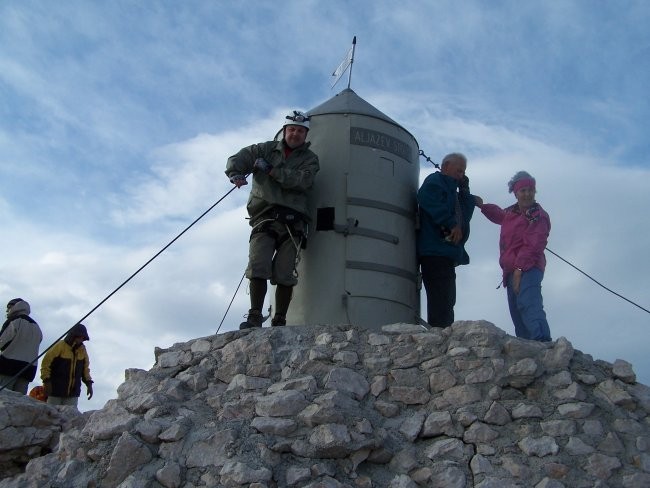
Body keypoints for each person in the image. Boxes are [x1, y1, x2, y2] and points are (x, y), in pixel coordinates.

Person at [225, 110, 319, 329]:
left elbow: (303, 181)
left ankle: (280, 320)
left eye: (300, 131)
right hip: (264, 217)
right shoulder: (265, 149)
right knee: (258, 264)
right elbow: (240, 158)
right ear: (285, 131)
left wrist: (272, 171)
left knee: (284, 272)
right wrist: (235, 173)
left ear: (306, 135)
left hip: (292, 222)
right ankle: (255, 316)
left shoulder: (310, 159)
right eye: (292, 129)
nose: (295, 134)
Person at [477, 170, 552, 342]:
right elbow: (499, 215)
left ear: (534, 191)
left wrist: (519, 269)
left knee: (528, 302)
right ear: (515, 193)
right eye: (522, 190)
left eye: (530, 190)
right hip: (510, 270)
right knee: (516, 310)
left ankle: (542, 342)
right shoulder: (512, 212)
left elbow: (534, 244)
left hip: (529, 267)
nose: (527, 194)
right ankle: (527, 346)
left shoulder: (537, 215)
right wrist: (482, 206)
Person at [417, 153, 477, 327]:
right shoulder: (435, 181)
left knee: (448, 297)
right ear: (446, 166)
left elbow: (465, 216)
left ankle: (444, 330)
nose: (461, 175)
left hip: (447, 253)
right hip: (435, 250)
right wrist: (450, 223)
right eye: (459, 171)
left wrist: (465, 192)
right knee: (441, 296)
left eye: (463, 172)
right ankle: (440, 331)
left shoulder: (454, 193)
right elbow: (427, 198)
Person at [40, 322, 93, 407]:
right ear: (73, 335)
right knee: (51, 417)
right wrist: (46, 381)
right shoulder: (60, 346)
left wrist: (89, 383)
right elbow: (46, 363)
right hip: (55, 391)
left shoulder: (82, 350)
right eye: (79, 337)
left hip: (73, 394)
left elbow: (85, 369)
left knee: (69, 419)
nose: (81, 339)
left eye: (83, 338)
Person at [0, 298, 43, 394]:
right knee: (19, 403)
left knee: (3, 399)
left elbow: (2, 341)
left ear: (16, 307)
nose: (7, 311)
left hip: (8, 366)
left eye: (9, 308)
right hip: (28, 369)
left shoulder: (14, 321)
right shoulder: (36, 327)